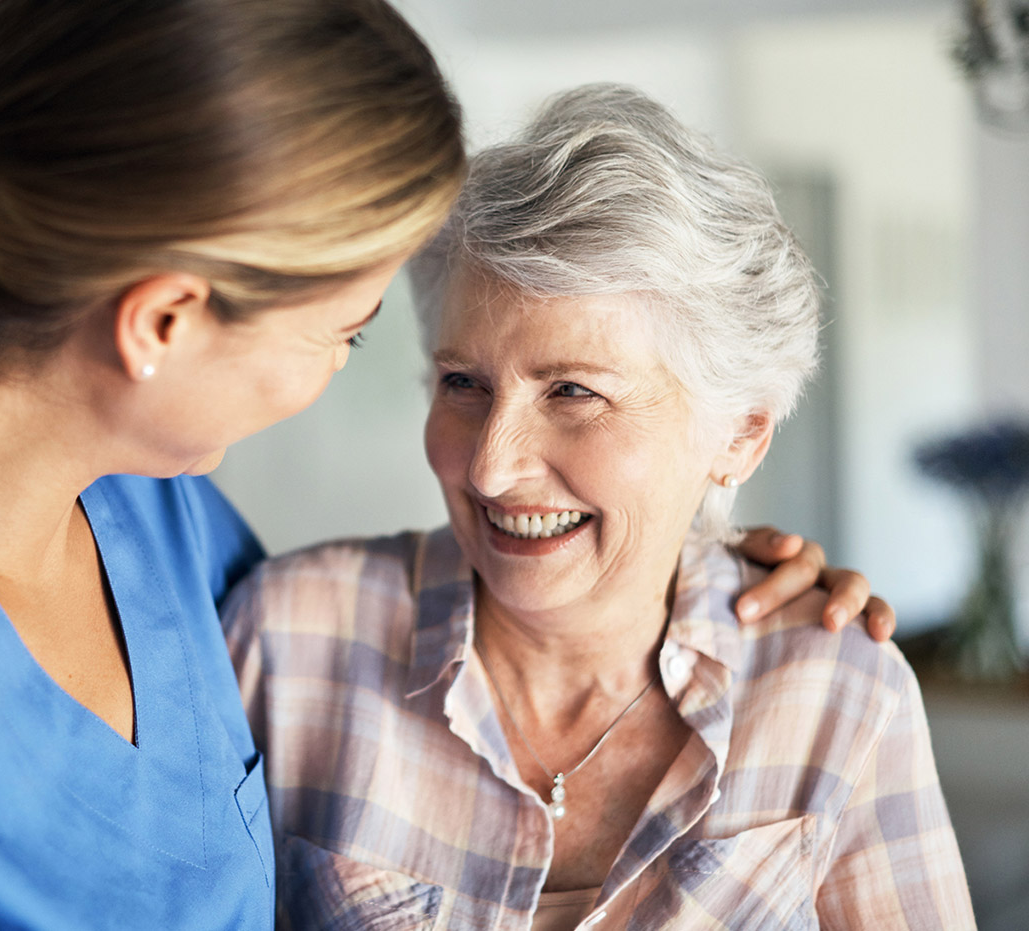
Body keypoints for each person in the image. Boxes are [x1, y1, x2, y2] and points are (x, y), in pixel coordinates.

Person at [0, 1, 883, 924]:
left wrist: (700, 559)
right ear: (164, 321)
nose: (493, 460)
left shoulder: (164, 532)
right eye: (344, 333)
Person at [223, 84, 971, 929]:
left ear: (740, 435)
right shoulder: (289, 640)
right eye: (463, 383)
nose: (492, 469)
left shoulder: (836, 690)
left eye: (574, 391)